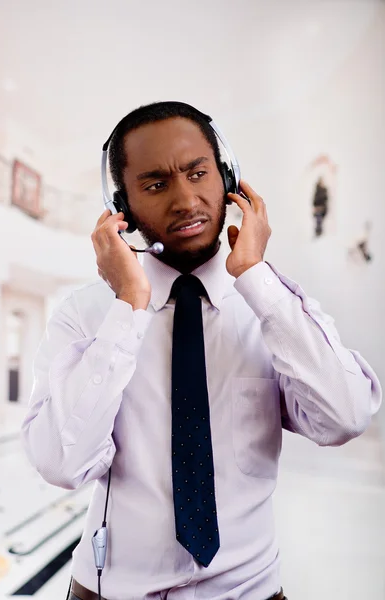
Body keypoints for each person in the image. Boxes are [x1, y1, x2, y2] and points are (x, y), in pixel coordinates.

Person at [21, 102, 382, 600]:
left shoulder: (273, 306)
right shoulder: (85, 315)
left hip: (252, 591)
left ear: (227, 178)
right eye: (155, 184)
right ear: (120, 208)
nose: (186, 200)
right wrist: (128, 309)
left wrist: (256, 279)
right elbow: (62, 463)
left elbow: (346, 417)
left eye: (198, 173)